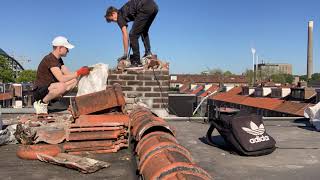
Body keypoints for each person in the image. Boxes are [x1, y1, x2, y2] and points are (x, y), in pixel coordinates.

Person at [33, 36, 90, 114]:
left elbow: (68, 74)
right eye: (66, 48)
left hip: (50, 89)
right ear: (60, 48)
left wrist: (81, 74)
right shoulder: (50, 59)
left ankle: (51, 101)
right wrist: (79, 72)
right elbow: (61, 79)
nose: (68, 51)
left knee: (74, 81)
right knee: (62, 86)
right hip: (40, 91)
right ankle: (41, 103)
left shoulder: (58, 60)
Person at [105, 0, 158, 67]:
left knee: (132, 35)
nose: (114, 21)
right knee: (143, 30)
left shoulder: (119, 16)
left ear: (114, 13)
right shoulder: (125, 9)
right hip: (154, 6)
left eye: (112, 19)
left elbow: (125, 34)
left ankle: (136, 61)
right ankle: (148, 53)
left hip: (145, 7)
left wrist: (125, 53)